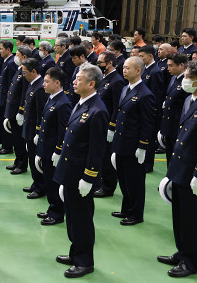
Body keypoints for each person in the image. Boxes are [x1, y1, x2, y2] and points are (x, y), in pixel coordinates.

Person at [53, 64, 108, 278]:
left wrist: (89, 176)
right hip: (71, 171)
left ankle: (85, 261)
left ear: (91, 83)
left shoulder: (97, 110)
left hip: (81, 174)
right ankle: (75, 252)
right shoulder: (81, 103)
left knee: (82, 218)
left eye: (78, 79)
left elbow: (96, 149)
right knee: (73, 216)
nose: (74, 81)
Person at [157, 60, 197, 278]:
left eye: (189, 77)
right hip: (180, 167)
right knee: (179, 214)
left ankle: (191, 261)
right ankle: (182, 252)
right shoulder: (190, 100)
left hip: (191, 171)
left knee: (191, 218)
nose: (185, 81)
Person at [110, 57, 155, 226]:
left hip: (134, 145)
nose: (124, 70)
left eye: (128, 68)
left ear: (138, 71)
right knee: (123, 178)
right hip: (122, 142)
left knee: (135, 181)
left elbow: (147, 122)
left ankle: (136, 214)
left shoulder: (145, 94)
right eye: (124, 67)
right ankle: (126, 208)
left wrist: (143, 145)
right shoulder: (125, 89)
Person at [35, 67, 71, 225]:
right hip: (46, 148)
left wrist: (58, 150)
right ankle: (52, 208)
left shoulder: (63, 104)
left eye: (47, 81)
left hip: (53, 151)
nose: (43, 84)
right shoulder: (52, 98)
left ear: (57, 83)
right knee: (48, 181)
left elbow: (64, 130)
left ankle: (57, 213)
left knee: (54, 182)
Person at [93, 51, 127, 198]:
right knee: (100, 155)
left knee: (107, 157)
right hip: (100, 123)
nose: (98, 64)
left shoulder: (116, 81)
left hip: (108, 125)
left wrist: (112, 126)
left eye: (100, 62)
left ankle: (108, 187)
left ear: (109, 63)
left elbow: (116, 106)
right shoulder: (105, 78)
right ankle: (102, 182)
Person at [21, 58, 48, 199]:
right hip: (28, 128)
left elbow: (40, 112)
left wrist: (38, 132)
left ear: (33, 71)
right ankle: (35, 183)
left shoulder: (39, 88)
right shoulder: (32, 84)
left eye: (25, 72)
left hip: (34, 130)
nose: (23, 75)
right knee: (31, 158)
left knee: (35, 159)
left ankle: (40, 187)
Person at [4, 45, 31, 175]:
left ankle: (22, 164)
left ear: (24, 57)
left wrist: (21, 111)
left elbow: (24, 93)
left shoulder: (25, 73)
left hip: (17, 112)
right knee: (15, 138)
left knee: (20, 140)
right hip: (12, 110)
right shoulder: (19, 69)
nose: (15, 57)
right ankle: (17, 160)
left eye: (17, 54)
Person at [158, 53, 188, 165]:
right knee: (170, 157)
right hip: (169, 127)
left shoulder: (187, 82)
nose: (168, 68)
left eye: (171, 65)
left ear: (181, 65)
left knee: (178, 161)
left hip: (178, 128)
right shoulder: (173, 79)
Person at [139, 45, 165, 172]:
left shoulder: (156, 71)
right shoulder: (144, 69)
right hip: (143, 109)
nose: (140, 58)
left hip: (151, 111)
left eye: (142, 56)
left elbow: (157, 94)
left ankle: (148, 165)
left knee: (149, 138)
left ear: (150, 56)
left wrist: (152, 110)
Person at [0, 40, 17, 155]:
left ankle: (7, 146)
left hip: (7, 99)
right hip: (2, 97)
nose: (0, 51)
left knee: (6, 123)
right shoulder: (6, 61)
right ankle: (4, 144)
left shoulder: (11, 63)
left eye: (2, 49)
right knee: (2, 121)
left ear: (8, 50)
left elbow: (10, 84)